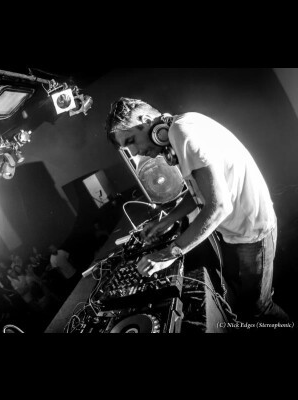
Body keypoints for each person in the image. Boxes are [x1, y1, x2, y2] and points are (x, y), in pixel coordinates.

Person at [105, 97, 289, 324]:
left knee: (260, 308)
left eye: (131, 140)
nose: (135, 152)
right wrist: (165, 221)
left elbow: (219, 206)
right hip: (236, 232)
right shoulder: (182, 126)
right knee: (242, 301)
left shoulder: (183, 133)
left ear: (146, 120)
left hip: (251, 233)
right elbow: (199, 193)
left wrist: (167, 254)